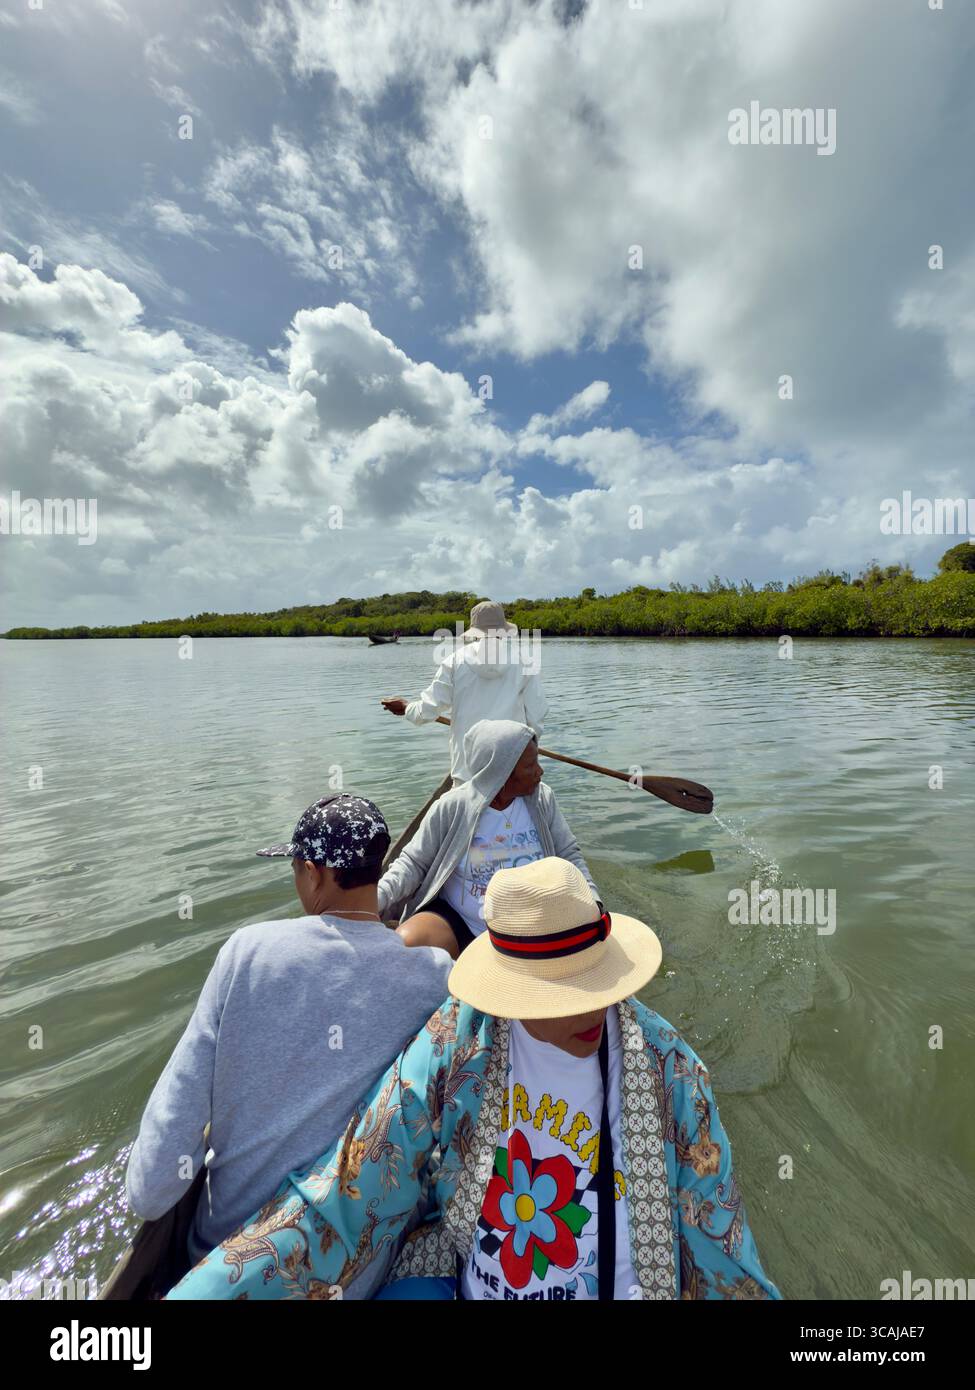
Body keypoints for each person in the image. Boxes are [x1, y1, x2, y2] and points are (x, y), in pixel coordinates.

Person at [168, 857, 781, 1301]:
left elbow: (720, 1245)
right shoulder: (458, 1043)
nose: (593, 1011)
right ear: (509, 995)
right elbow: (354, 1187)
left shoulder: (669, 1073)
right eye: (560, 996)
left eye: (597, 983)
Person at [126, 793, 452, 1261]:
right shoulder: (433, 977)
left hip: (222, 1265)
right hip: (351, 1271)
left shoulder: (247, 953)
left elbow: (151, 1190)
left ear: (314, 874)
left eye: (296, 869)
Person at [379, 718, 597, 958]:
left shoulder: (542, 799)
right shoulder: (452, 807)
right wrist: (376, 899)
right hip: (462, 921)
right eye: (530, 765)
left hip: (535, 923)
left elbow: (568, 854)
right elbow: (413, 863)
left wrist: (592, 902)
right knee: (406, 945)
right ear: (501, 773)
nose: (540, 771)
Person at [381, 600, 547, 783]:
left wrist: (406, 707)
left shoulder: (454, 661)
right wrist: (525, 750)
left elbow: (428, 710)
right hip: (512, 772)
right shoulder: (524, 662)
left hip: (467, 772)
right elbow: (536, 718)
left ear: (474, 631)